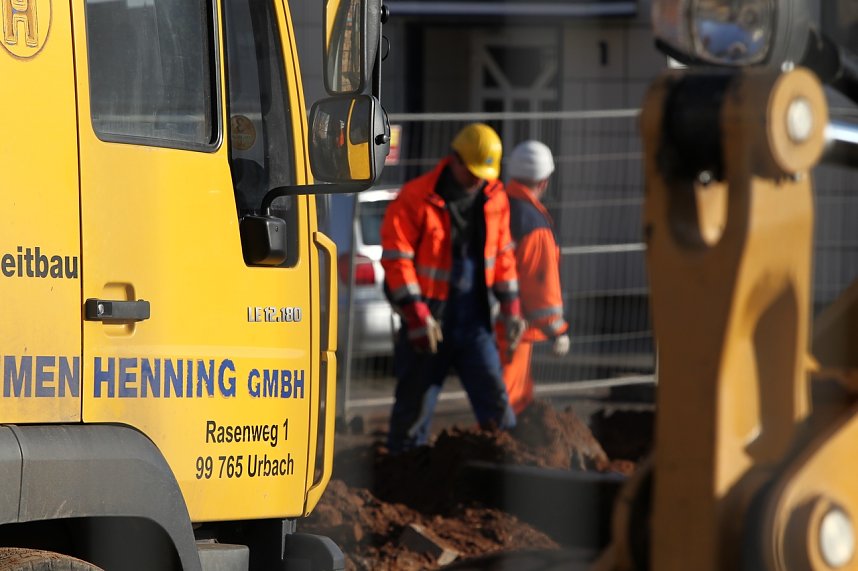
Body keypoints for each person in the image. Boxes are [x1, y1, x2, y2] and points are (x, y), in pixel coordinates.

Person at [380, 123, 526, 453]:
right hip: (429, 320)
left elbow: (503, 254)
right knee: (414, 408)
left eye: (484, 173)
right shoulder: (416, 198)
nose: (479, 180)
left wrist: (512, 306)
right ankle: (404, 472)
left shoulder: (494, 196)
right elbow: (397, 260)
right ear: (455, 160)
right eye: (473, 172)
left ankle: (508, 471)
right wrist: (417, 315)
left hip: (474, 322)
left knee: (496, 403)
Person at [496, 140, 570, 414]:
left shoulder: (498, 206)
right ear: (544, 181)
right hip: (517, 326)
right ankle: (500, 450)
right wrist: (556, 330)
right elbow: (540, 284)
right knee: (508, 399)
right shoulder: (534, 224)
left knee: (509, 394)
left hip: (491, 317)